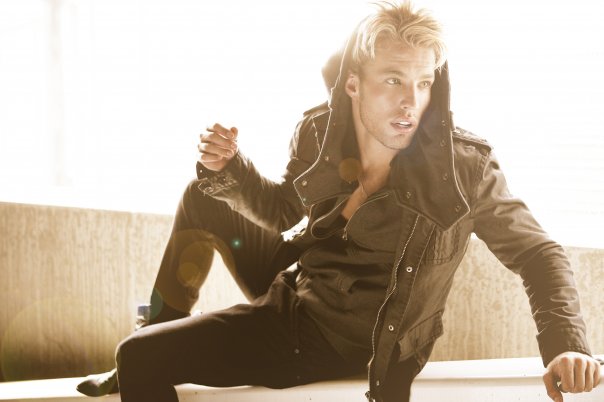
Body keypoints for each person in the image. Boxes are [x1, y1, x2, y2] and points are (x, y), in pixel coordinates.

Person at [77, 2, 601, 401]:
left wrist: (566, 345)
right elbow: (283, 211)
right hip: (301, 282)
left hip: (331, 336)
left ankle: (140, 353)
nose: (410, 102)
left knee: (139, 357)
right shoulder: (319, 133)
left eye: (423, 83)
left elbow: (538, 253)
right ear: (354, 84)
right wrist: (229, 170)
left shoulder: (462, 169)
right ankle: (158, 323)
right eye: (393, 80)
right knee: (203, 195)